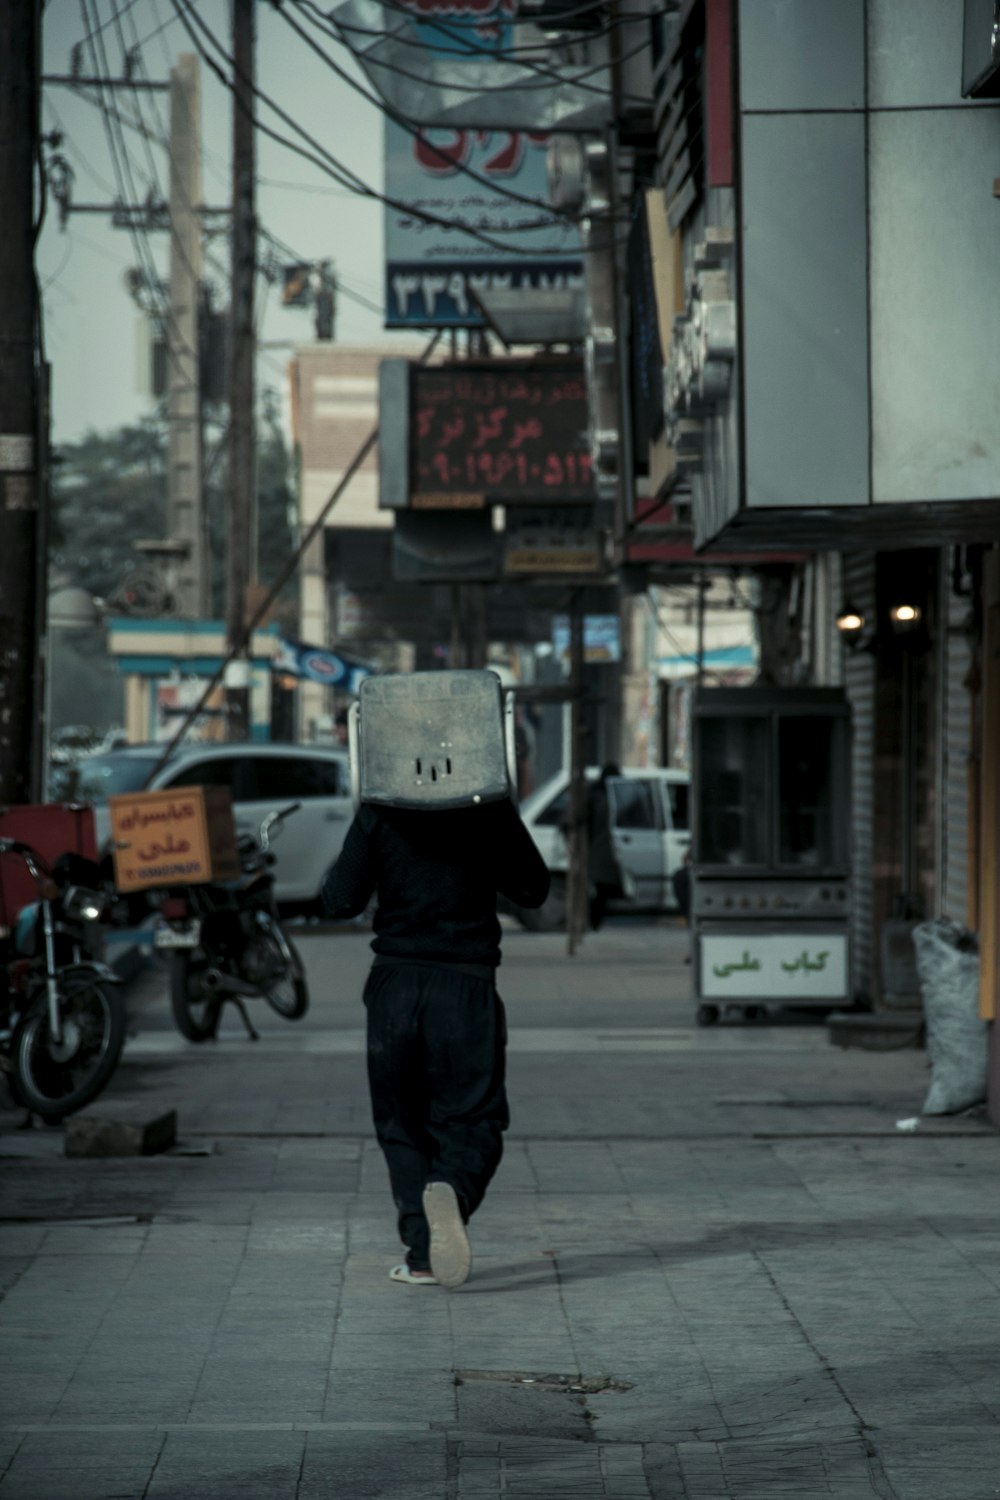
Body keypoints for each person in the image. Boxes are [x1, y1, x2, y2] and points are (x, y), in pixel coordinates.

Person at [321, 790, 550, 1288]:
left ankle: (422, 1255)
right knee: (473, 1117)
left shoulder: (380, 810)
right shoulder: (486, 808)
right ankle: (453, 1188)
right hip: (465, 986)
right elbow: (533, 889)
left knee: (403, 1124)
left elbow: (340, 900)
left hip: (394, 986)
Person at [587, 762, 623, 931]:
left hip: (600, 849)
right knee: (600, 891)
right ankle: (594, 921)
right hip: (599, 849)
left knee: (601, 891)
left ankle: (594, 921)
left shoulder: (600, 794)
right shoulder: (601, 796)